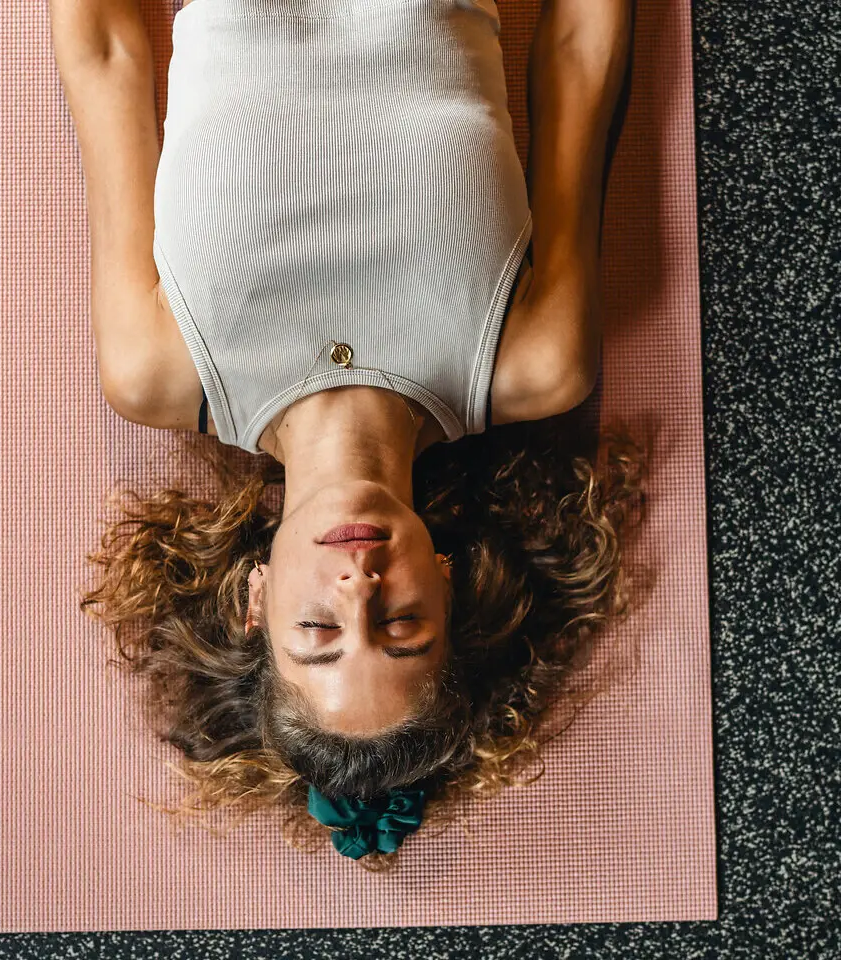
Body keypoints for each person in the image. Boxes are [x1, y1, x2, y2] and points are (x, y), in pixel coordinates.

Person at [56, 0, 643, 868]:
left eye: (321, 632)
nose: (358, 584)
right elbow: (578, 49)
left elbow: (105, 50)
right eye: (403, 623)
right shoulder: (532, 359)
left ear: (254, 602)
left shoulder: (161, 368)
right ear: (449, 587)